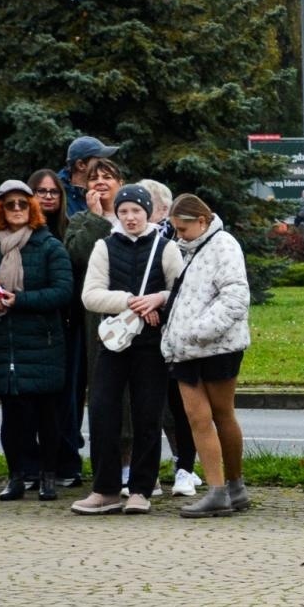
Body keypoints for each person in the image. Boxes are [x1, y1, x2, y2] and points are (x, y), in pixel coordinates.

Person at [71, 184, 185, 515]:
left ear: (147, 212)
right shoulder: (104, 247)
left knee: (147, 414)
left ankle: (141, 489)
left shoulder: (166, 248)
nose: (130, 217)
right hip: (113, 342)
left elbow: (179, 290)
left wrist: (159, 299)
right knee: (104, 411)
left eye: (136, 210)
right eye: (123, 212)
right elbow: (90, 295)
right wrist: (131, 302)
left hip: (150, 345)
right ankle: (105, 489)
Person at [0, 180, 73, 501]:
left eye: (22, 204)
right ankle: (15, 476)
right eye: (9, 204)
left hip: (44, 342)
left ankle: (48, 476)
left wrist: (19, 300)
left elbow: (63, 290)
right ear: (0, 209)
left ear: (32, 208)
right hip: (4, 342)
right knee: (12, 417)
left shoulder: (50, 246)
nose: (15, 210)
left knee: (46, 415)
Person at [160, 193, 252, 518]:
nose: (177, 235)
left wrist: (198, 330)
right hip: (187, 350)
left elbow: (236, 295)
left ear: (202, 221)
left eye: (182, 228)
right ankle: (220, 490)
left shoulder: (223, 244)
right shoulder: (190, 248)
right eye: (174, 229)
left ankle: (231, 487)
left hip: (214, 347)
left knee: (222, 415)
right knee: (199, 418)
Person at [140, 177, 200, 499]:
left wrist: (159, 301)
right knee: (148, 406)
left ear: (163, 209)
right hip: (144, 336)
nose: (137, 214)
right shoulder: (130, 241)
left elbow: (186, 287)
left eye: (147, 207)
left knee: (182, 406)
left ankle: (185, 468)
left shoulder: (177, 242)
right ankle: (148, 473)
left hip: (177, 335)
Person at [28, 168, 85, 488]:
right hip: (32, 326)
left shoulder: (70, 229)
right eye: (42, 191)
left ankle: (66, 461)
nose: (48, 196)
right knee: (34, 400)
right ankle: (33, 464)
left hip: (68, 322)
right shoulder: (20, 231)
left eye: (54, 191)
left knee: (69, 397)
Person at [61, 135, 121, 216]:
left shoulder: (110, 194)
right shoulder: (58, 196)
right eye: (99, 159)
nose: (104, 164)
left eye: (107, 177)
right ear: (81, 165)